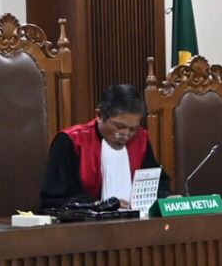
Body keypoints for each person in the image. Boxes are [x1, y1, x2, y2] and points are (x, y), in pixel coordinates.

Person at [40, 84, 170, 209]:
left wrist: (165, 198)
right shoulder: (71, 141)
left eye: (133, 129)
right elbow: (56, 198)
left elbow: (156, 183)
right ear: (99, 116)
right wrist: (102, 205)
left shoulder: (140, 138)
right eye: (120, 126)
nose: (126, 134)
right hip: (87, 221)